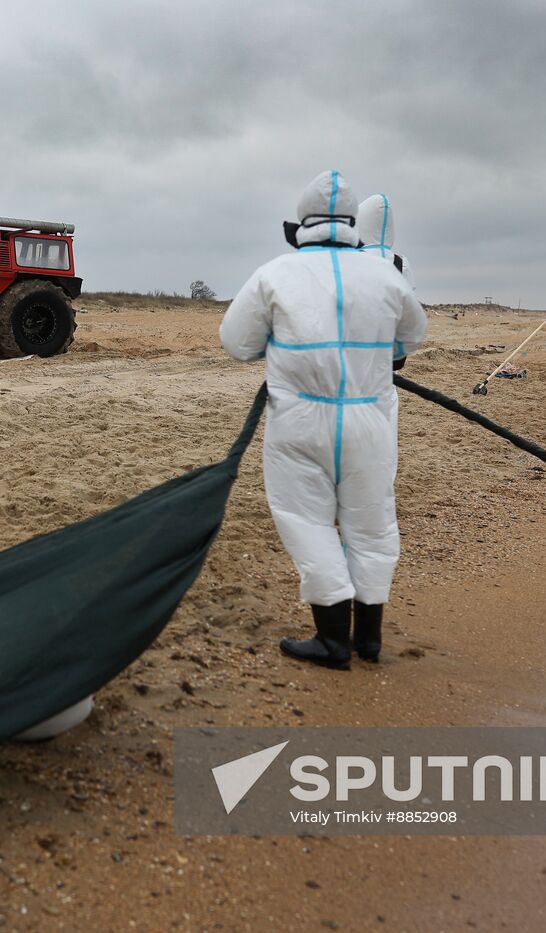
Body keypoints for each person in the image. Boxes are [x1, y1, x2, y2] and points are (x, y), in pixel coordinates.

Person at [221, 170, 427, 668]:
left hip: (298, 420)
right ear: (351, 223)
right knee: (372, 521)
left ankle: (333, 639)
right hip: (369, 417)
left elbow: (237, 342)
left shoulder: (275, 273)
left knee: (306, 519)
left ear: (302, 223)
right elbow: (410, 339)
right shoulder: (385, 276)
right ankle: (368, 639)